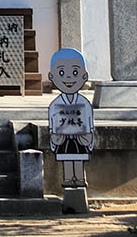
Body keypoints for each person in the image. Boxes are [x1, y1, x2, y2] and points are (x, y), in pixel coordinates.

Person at [47, 47, 94, 189]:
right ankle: (68, 178)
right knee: (66, 157)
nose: (68, 77)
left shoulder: (84, 104)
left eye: (75, 72)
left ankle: (80, 178)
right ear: (52, 76)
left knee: (79, 158)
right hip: (63, 138)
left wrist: (89, 136)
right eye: (61, 72)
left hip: (80, 137)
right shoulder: (56, 104)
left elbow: (89, 121)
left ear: (84, 76)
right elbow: (52, 123)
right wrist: (54, 137)